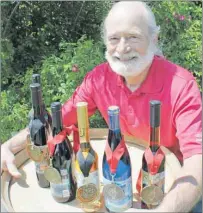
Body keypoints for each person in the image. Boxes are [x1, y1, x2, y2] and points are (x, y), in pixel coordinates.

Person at [1, 1, 202, 212]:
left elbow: (197, 162)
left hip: (171, 189)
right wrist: (8, 147)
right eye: (114, 38)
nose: (122, 48)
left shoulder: (181, 85)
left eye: (133, 37)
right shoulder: (99, 79)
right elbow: (57, 122)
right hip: (121, 184)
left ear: (154, 38)